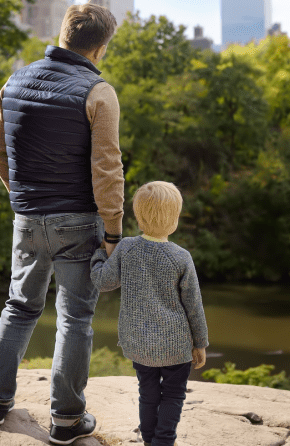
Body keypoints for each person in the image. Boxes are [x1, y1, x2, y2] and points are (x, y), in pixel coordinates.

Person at [0, 3, 125, 445]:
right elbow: (107, 169)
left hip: (26, 218)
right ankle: (66, 419)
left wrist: (23, 198)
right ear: (99, 49)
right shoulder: (98, 93)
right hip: (78, 223)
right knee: (75, 319)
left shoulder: (14, 82)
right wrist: (114, 230)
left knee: (19, 306)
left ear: (63, 33)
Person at [90, 181, 209, 446]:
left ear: (139, 216)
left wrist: (99, 254)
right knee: (173, 395)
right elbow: (194, 306)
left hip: (140, 345)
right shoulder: (181, 257)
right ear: (174, 219)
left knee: (148, 393)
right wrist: (200, 343)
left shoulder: (127, 248)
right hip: (176, 346)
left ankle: (149, 440)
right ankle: (163, 441)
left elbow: (103, 282)